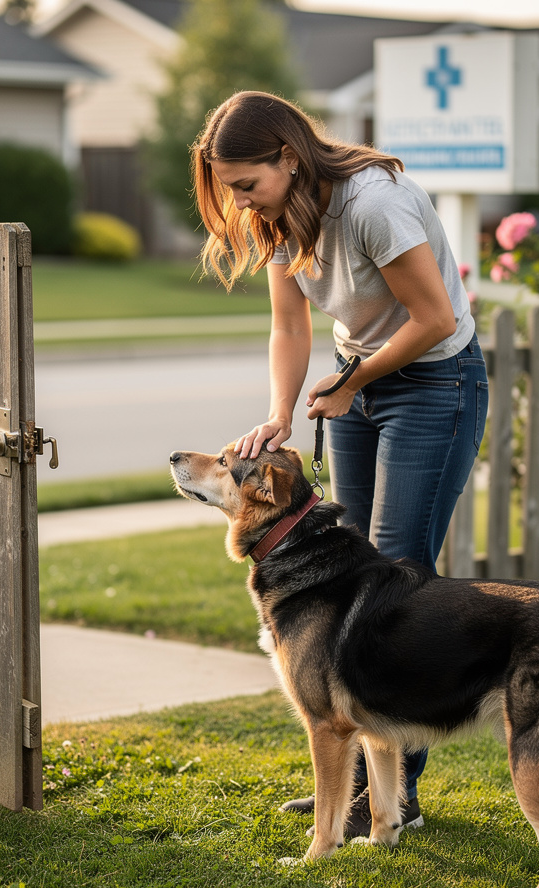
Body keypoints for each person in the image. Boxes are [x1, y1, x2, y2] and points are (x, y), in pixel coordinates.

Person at [191, 91, 488, 838]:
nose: (239, 201)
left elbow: (436, 319)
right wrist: (280, 412)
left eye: (246, 183)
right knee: (353, 572)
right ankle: (365, 788)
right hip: (355, 379)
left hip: (433, 381)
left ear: (288, 157)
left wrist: (353, 381)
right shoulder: (280, 216)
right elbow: (288, 326)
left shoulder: (372, 205)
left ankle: (394, 798)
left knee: (398, 575)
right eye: (229, 188)